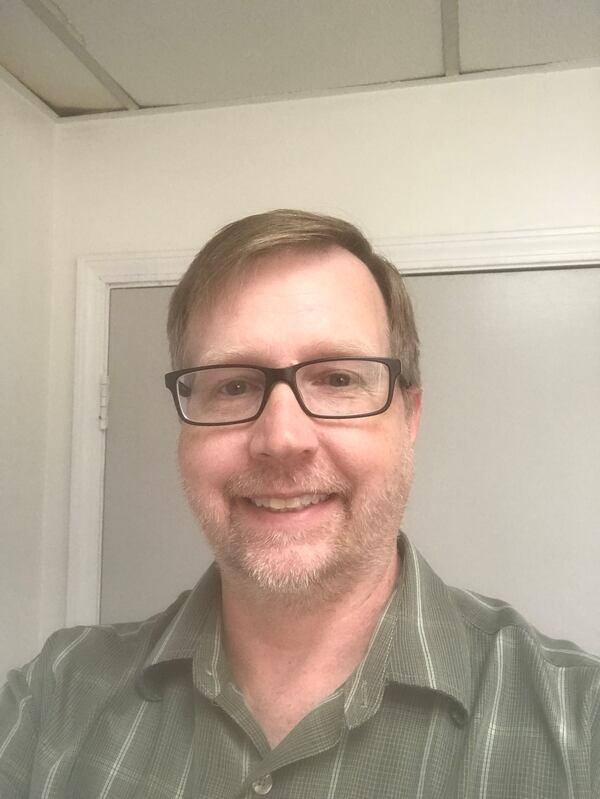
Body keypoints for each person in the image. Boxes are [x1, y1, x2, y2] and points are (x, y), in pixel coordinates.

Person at [1, 210, 598, 798]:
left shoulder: (580, 727)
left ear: (410, 417)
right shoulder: (55, 698)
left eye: (337, 379)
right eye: (234, 385)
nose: (283, 438)